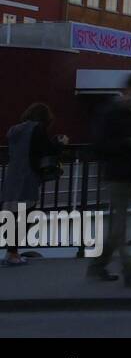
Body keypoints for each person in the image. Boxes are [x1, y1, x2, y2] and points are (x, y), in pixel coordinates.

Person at [88, 73, 131, 288]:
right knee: (120, 226)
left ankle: (98, 265)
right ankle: (130, 270)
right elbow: (101, 144)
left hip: (128, 172)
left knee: (118, 225)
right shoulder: (112, 112)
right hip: (118, 173)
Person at [2, 103, 67, 267]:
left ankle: (11, 252)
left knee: (12, 216)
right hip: (28, 178)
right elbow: (46, 149)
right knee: (25, 217)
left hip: (12, 177)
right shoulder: (37, 129)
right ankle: (12, 253)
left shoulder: (14, 130)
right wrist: (60, 143)